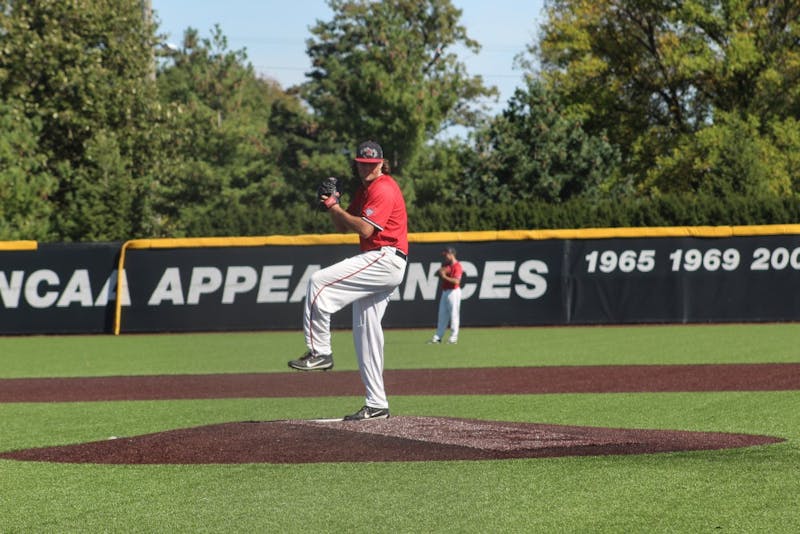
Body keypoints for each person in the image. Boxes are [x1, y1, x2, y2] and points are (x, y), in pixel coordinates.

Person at [288, 140, 408, 421]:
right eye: (361, 163)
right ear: (356, 163)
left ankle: (320, 351)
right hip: (381, 261)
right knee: (366, 333)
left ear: (381, 162)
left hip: (385, 257)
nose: (366, 167)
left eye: (371, 163)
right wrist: (333, 206)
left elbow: (365, 229)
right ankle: (377, 403)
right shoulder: (365, 191)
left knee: (318, 283)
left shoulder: (383, 187)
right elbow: (343, 226)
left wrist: (336, 205)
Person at [428, 246, 462, 344]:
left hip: (454, 292)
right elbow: (437, 273)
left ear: (452, 254)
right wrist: (441, 272)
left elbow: (457, 281)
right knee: (442, 315)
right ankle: (438, 337)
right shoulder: (447, 265)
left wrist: (444, 276)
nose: (445, 257)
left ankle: (453, 338)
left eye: (446, 254)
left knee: (454, 315)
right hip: (445, 291)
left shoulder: (457, 266)